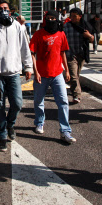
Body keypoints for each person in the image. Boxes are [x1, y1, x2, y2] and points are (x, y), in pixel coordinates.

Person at [0, 0, 33, 152]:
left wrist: (28, 66)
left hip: (14, 73)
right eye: (0, 8)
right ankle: (2, 136)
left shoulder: (17, 26)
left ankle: (10, 124)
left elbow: (24, 47)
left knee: (17, 104)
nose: (3, 11)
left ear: (10, 10)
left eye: (5, 8)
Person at [30, 10, 75, 143]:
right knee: (39, 101)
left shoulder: (61, 34)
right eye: (48, 18)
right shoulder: (38, 34)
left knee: (63, 102)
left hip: (57, 74)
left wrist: (66, 70)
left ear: (57, 20)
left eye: (53, 18)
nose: (50, 20)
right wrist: (36, 72)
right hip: (41, 75)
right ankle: (39, 122)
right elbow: (32, 53)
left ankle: (65, 131)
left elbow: (63, 53)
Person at [63, 8, 94, 104]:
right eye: (71, 16)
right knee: (73, 75)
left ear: (80, 16)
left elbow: (92, 39)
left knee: (76, 75)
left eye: (74, 16)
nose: (72, 18)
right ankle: (77, 95)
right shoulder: (67, 26)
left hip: (81, 54)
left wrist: (88, 36)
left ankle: (75, 90)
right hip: (70, 54)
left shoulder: (85, 26)